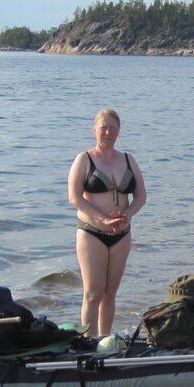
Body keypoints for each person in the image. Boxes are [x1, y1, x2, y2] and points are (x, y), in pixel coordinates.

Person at [68, 108, 146, 336]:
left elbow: (141, 196)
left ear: (119, 131)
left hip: (121, 234)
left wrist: (128, 214)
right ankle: (89, 342)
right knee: (93, 292)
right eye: (104, 128)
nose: (108, 132)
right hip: (92, 232)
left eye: (113, 128)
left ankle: (104, 340)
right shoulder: (85, 159)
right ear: (95, 130)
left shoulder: (128, 159)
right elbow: (74, 197)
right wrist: (101, 217)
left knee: (110, 293)